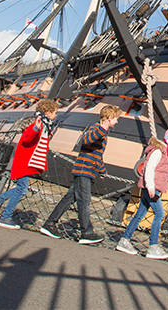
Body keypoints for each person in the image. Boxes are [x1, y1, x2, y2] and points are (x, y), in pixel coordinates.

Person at [41, 104, 122, 244]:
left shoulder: (102, 133)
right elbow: (86, 140)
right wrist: (102, 129)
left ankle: (49, 224)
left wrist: (102, 170)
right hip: (84, 170)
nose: (117, 122)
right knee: (84, 201)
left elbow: (97, 155)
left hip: (87, 169)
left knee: (69, 198)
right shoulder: (97, 128)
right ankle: (86, 232)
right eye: (116, 118)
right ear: (109, 118)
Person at [0, 99, 58, 229]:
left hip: (28, 160)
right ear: (48, 112)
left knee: (21, 189)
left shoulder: (43, 123)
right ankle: (3, 214)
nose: (56, 115)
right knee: (21, 189)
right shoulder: (38, 123)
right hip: (25, 160)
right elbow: (27, 138)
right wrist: (35, 128)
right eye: (55, 112)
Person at [116, 124, 168, 259]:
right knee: (159, 214)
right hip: (152, 188)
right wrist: (151, 186)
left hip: (153, 187)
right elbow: (150, 168)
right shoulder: (159, 152)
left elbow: (164, 172)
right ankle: (153, 246)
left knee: (140, 213)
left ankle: (125, 239)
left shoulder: (166, 153)